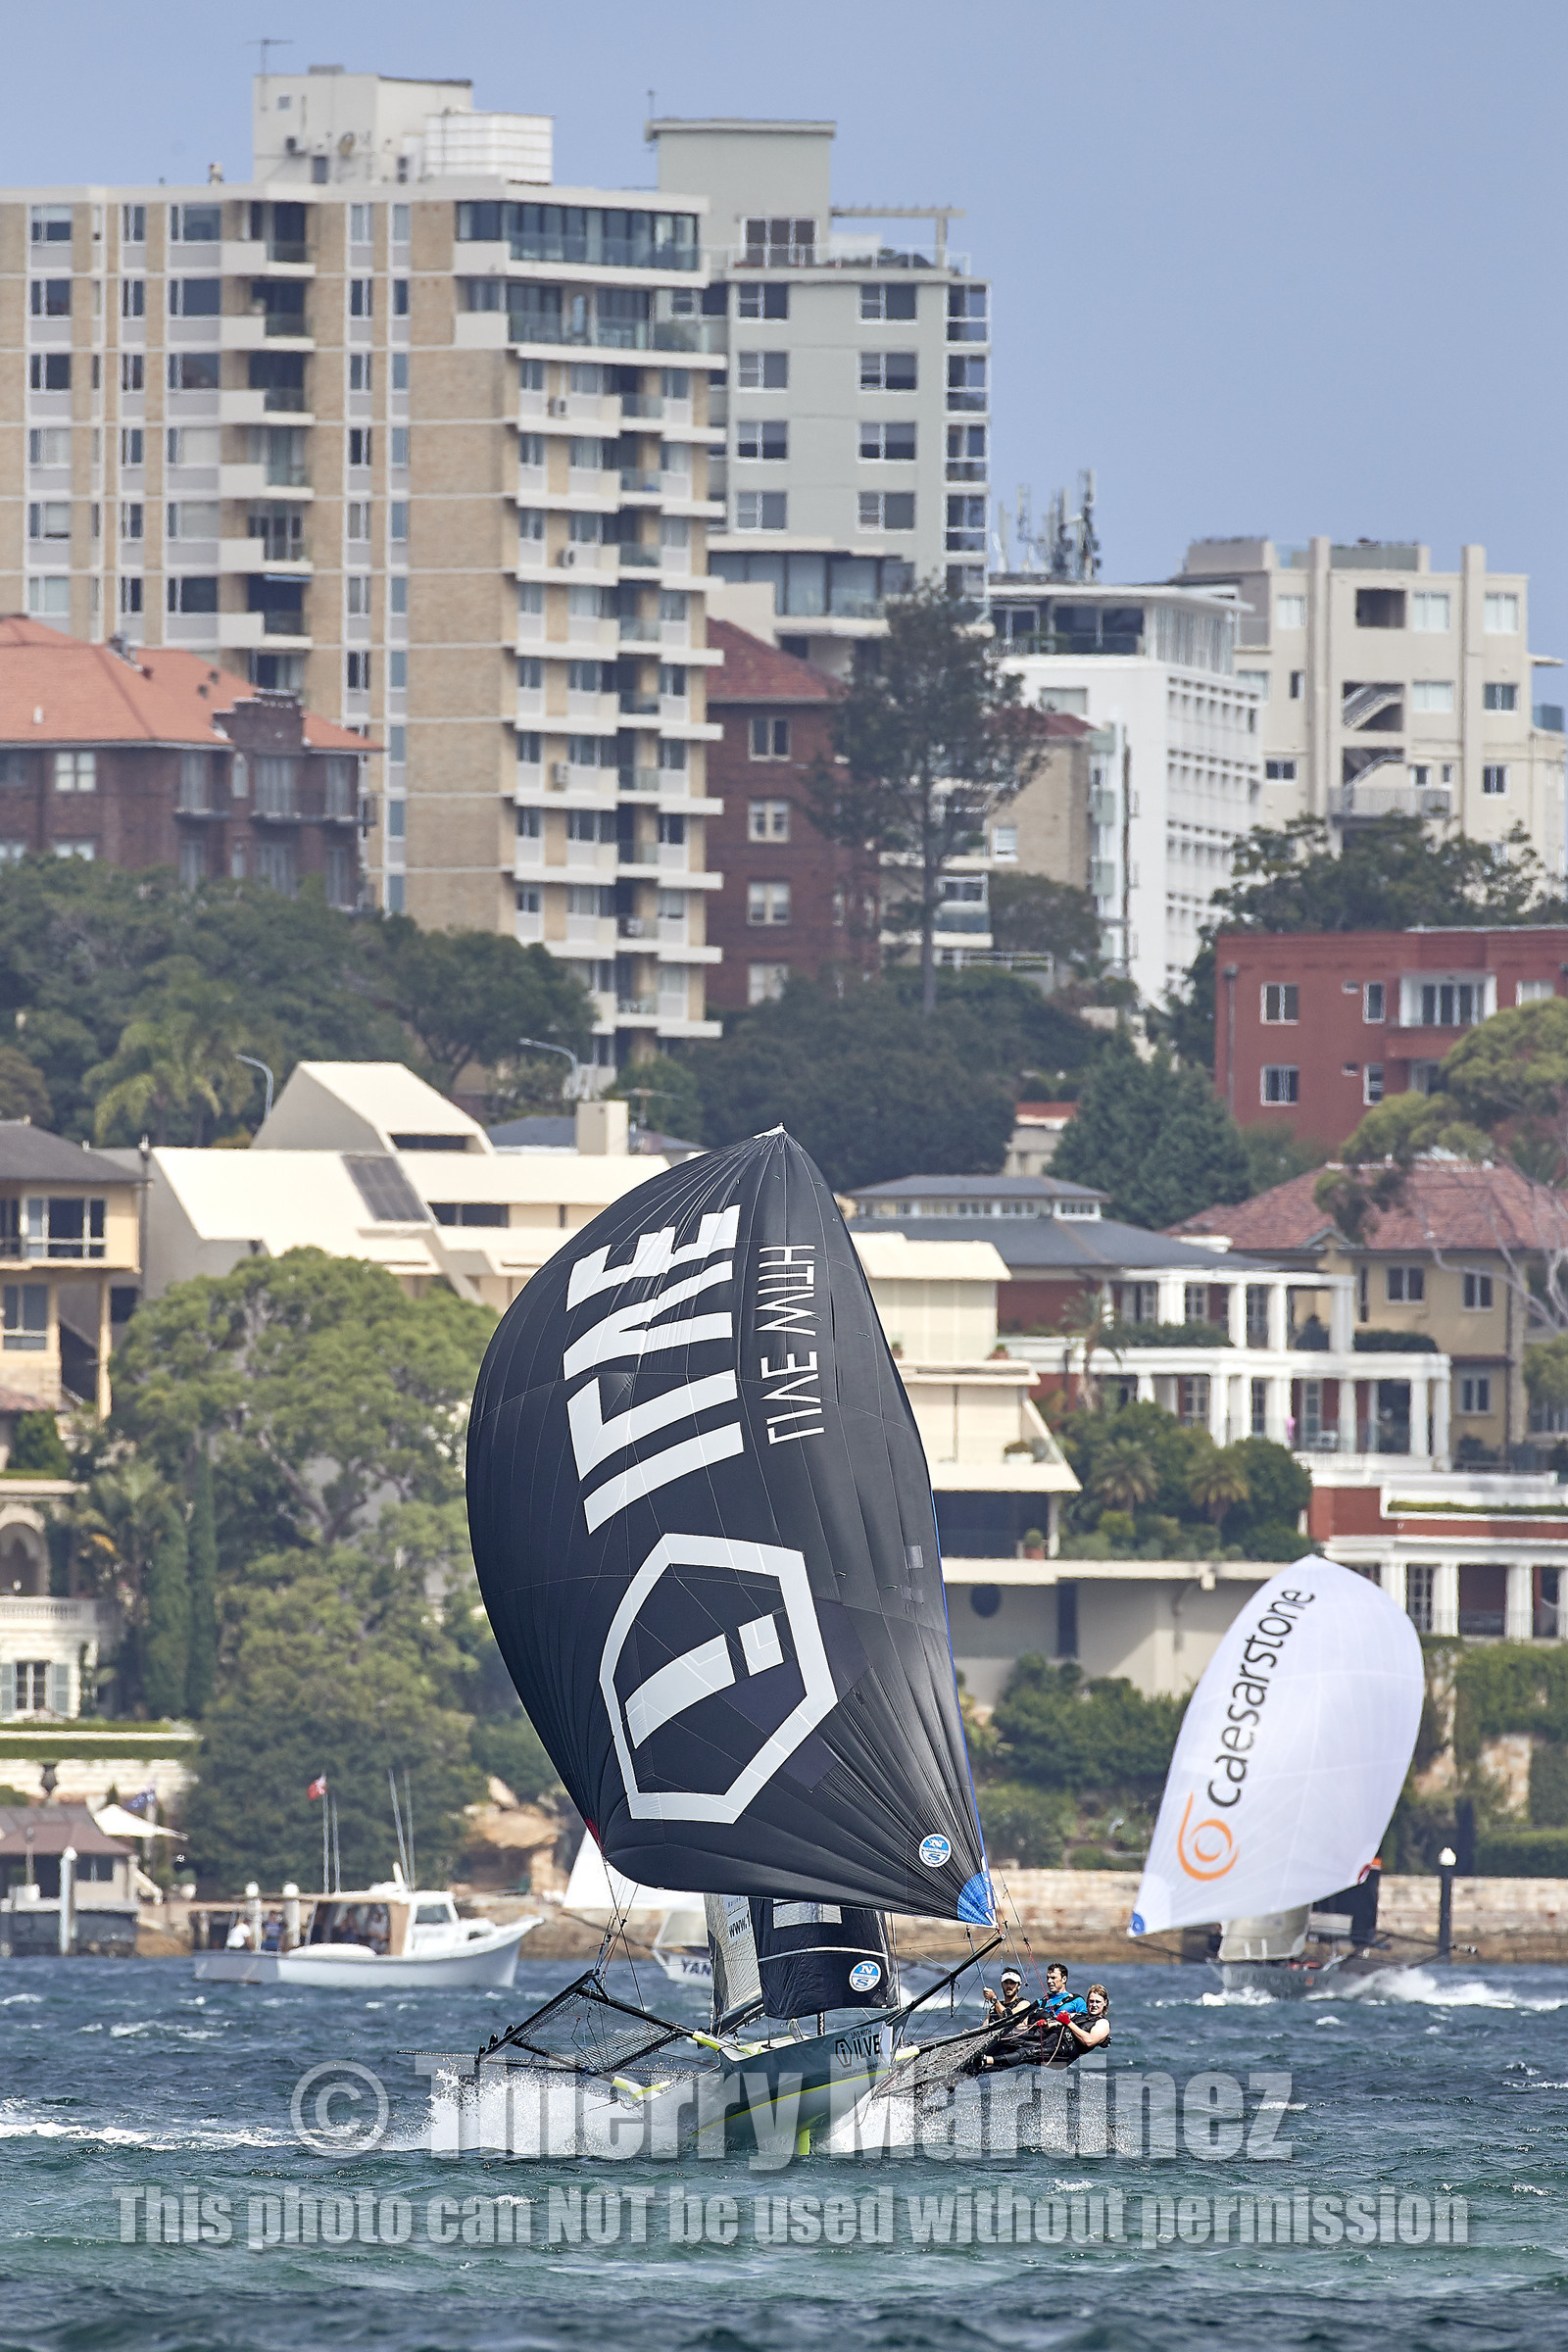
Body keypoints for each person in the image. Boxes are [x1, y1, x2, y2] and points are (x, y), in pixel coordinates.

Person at [1042, 1983, 1109, 2067]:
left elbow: (1089, 2041)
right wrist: (1045, 2025)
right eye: (1091, 2001)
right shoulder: (1078, 2015)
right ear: (1087, 2002)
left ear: (1105, 2003)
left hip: (1061, 2056)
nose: (1094, 2005)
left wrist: (1068, 2022)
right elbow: (1057, 2024)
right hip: (1052, 2044)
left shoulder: (1103, 2023)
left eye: (1098, 2002)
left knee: (1023, 2052)